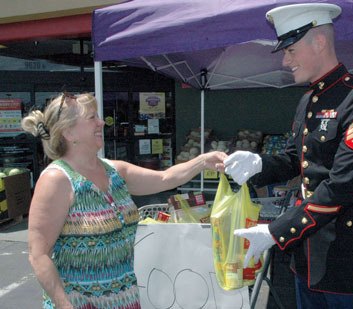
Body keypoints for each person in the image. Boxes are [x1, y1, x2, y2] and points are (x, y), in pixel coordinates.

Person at [224, 3, 353, 309]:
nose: (286, 61)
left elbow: (342, 185)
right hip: (307, 257)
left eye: (291, 50)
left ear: (320, 42)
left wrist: (277, 231)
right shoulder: (307, 101)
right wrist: (258, 163)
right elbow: (293, 159)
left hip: (347, 256)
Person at [21, 92, 227, 309]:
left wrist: (203, 161)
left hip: (125, 301)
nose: (101, 122)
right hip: (81, 303)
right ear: (69, 131)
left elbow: (166, 178)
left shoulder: (114, 171)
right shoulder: (57, 180)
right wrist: (65, 306)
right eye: (92, 118)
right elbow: (39, 255)